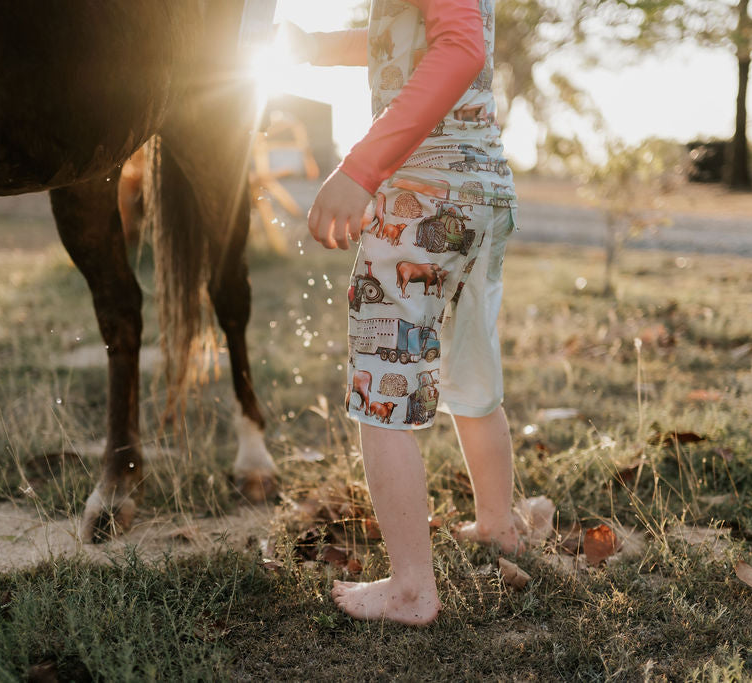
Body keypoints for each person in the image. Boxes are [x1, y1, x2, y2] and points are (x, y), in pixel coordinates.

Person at [289, 0, 521, 625]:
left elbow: (460, 48)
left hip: (422, 190)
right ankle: (498, 524)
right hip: (484, 186)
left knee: (382, 384)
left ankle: (412, 588)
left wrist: (361, 169)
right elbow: (408, 32)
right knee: (472, 367)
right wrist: (316, 47)